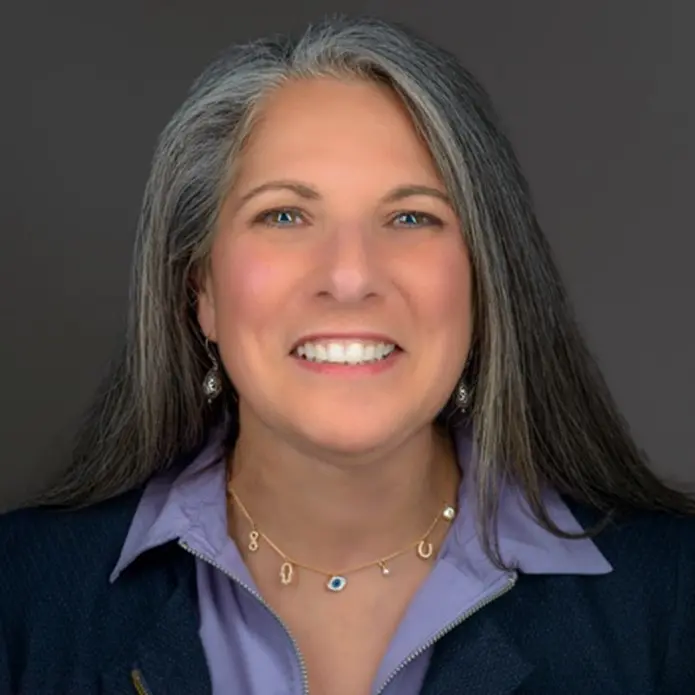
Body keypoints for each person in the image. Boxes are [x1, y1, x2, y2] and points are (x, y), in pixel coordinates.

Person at [1, 14, 693, 695]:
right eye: (284, 215)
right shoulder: (21, 595)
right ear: (201, 289)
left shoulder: (672, 600)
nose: (351, 274)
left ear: (484, 282)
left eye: (411, 217)